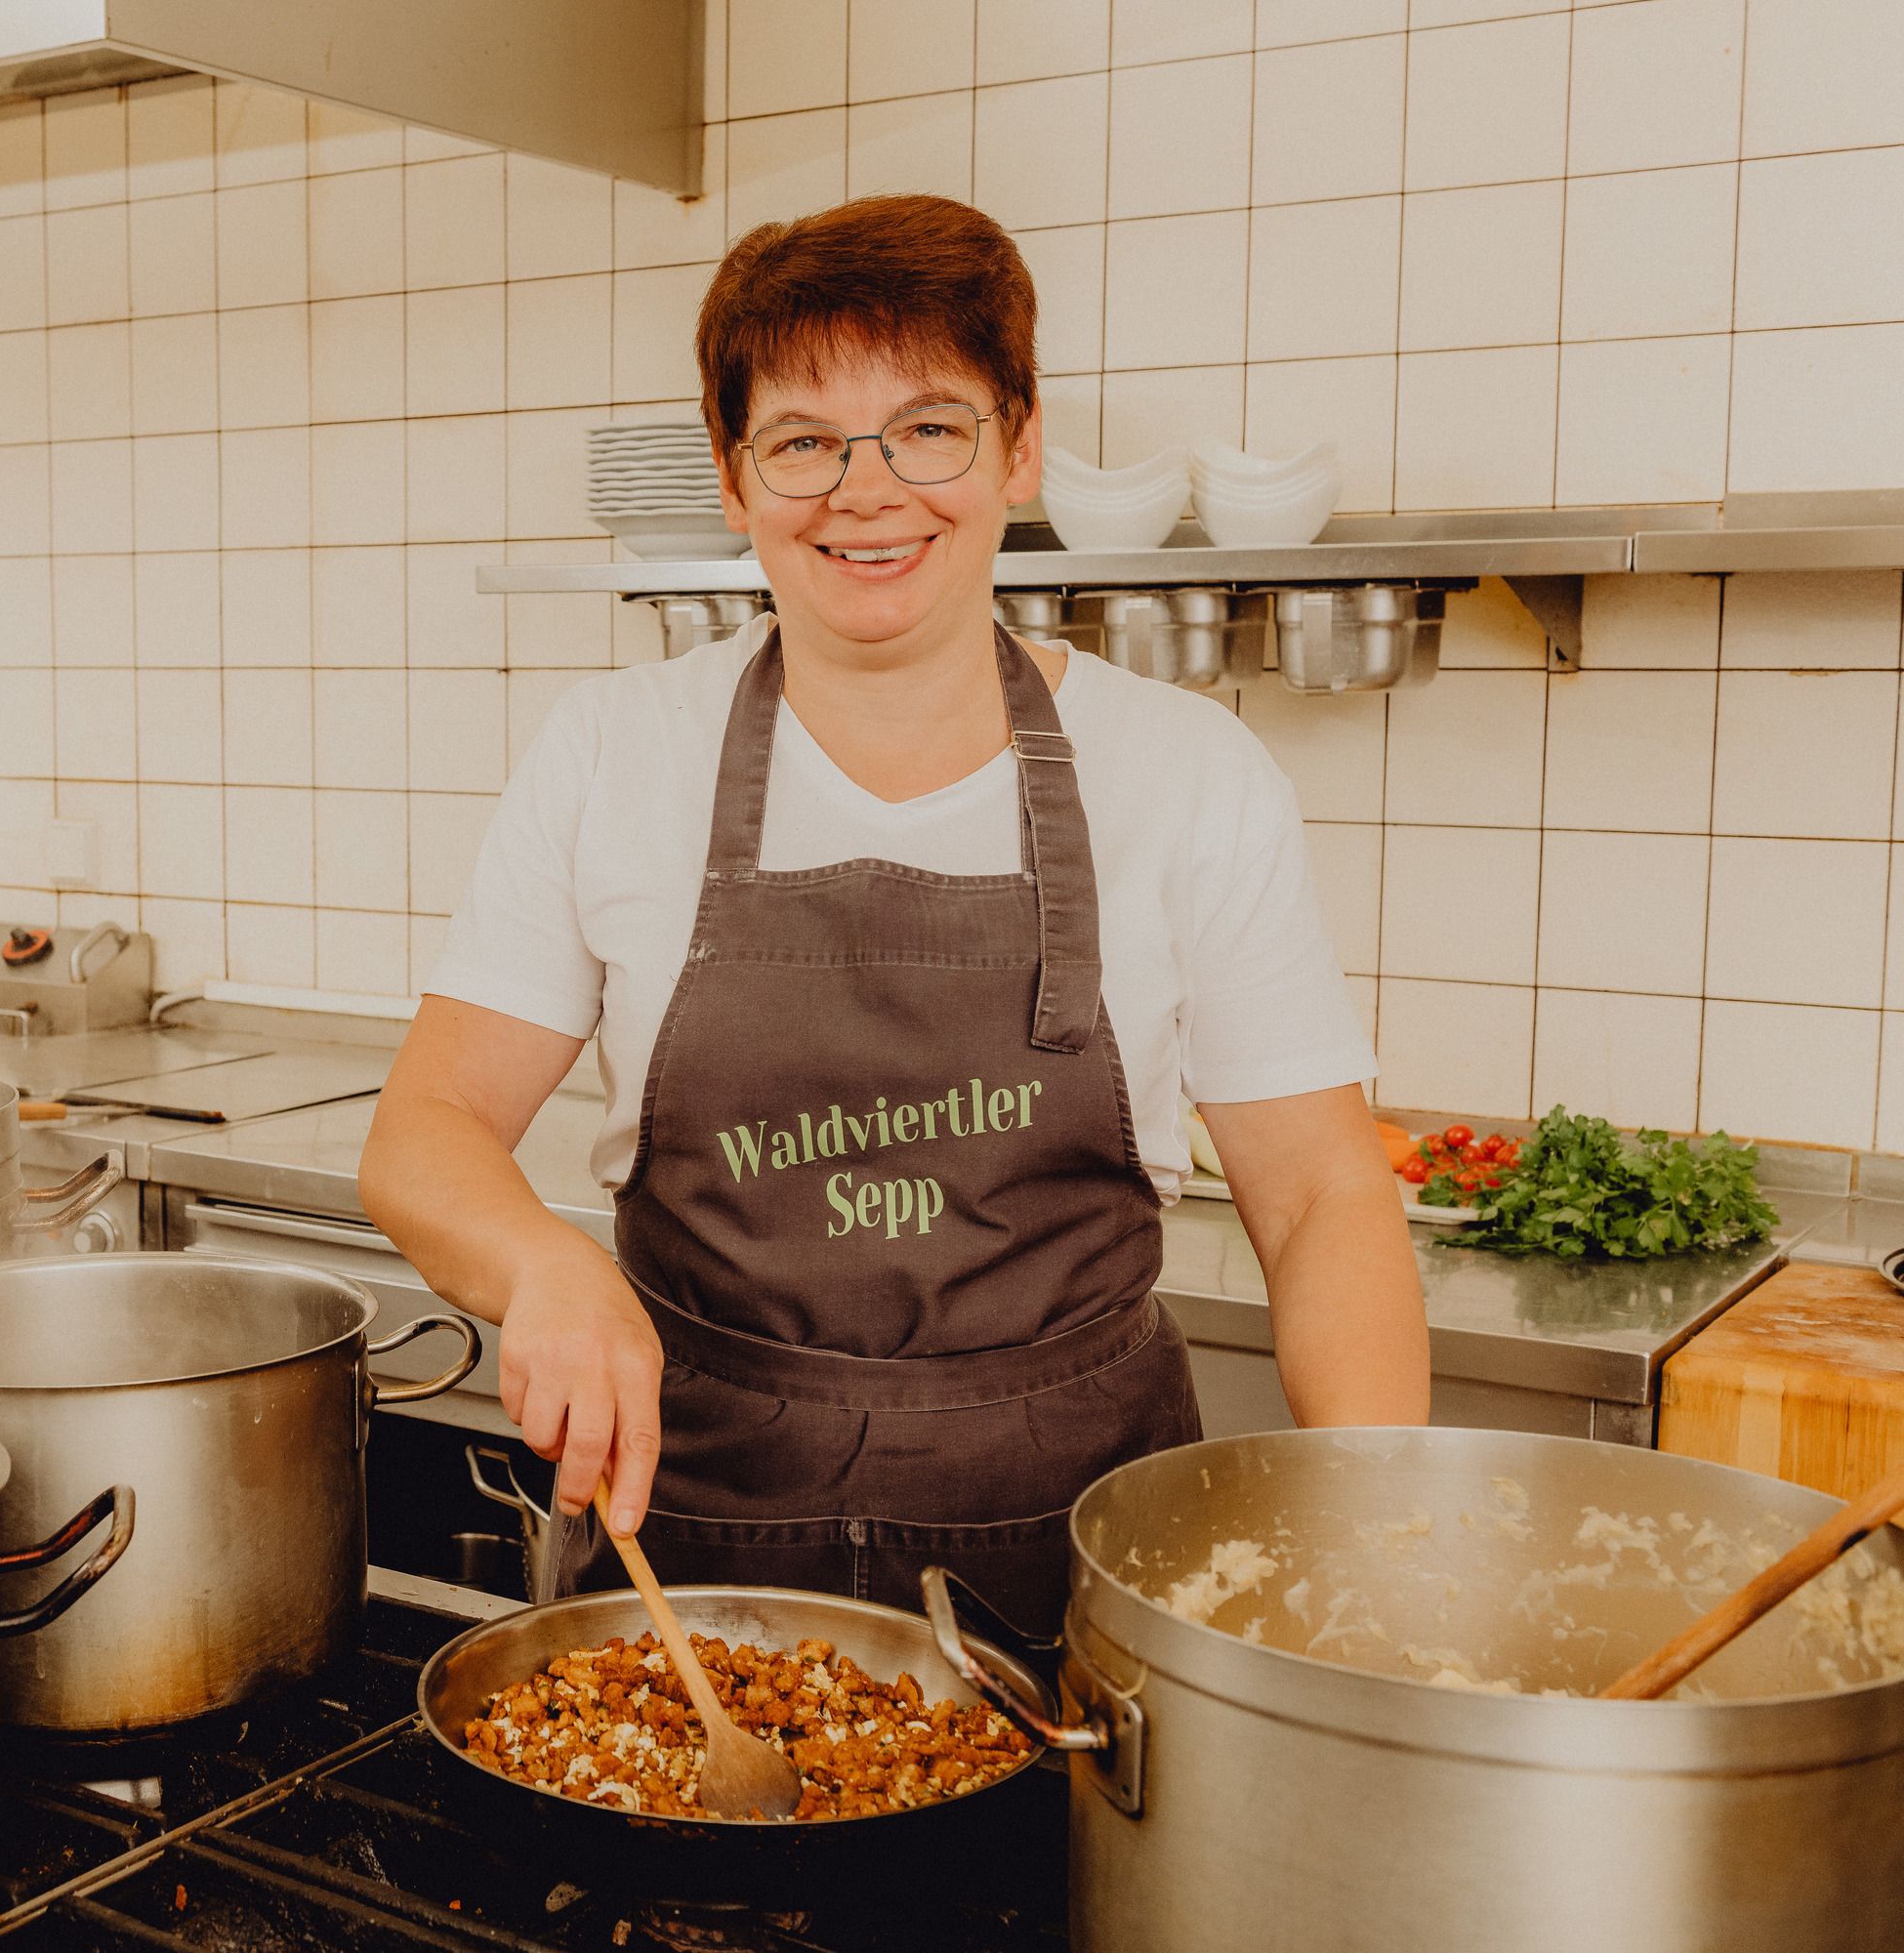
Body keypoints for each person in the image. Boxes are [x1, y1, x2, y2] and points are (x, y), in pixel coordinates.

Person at [357, 193, 1429, 1638]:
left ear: (1019, 446)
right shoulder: (615, 749)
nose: (867, 492)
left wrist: (1371, 1522)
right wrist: (546, 1266)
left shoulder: (1188, 774)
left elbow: (1319, 1196)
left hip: (1084, 1558)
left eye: (929, 428)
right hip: (694, 1549)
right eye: (802, 442)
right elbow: (424, 1130)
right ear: (735, 484)